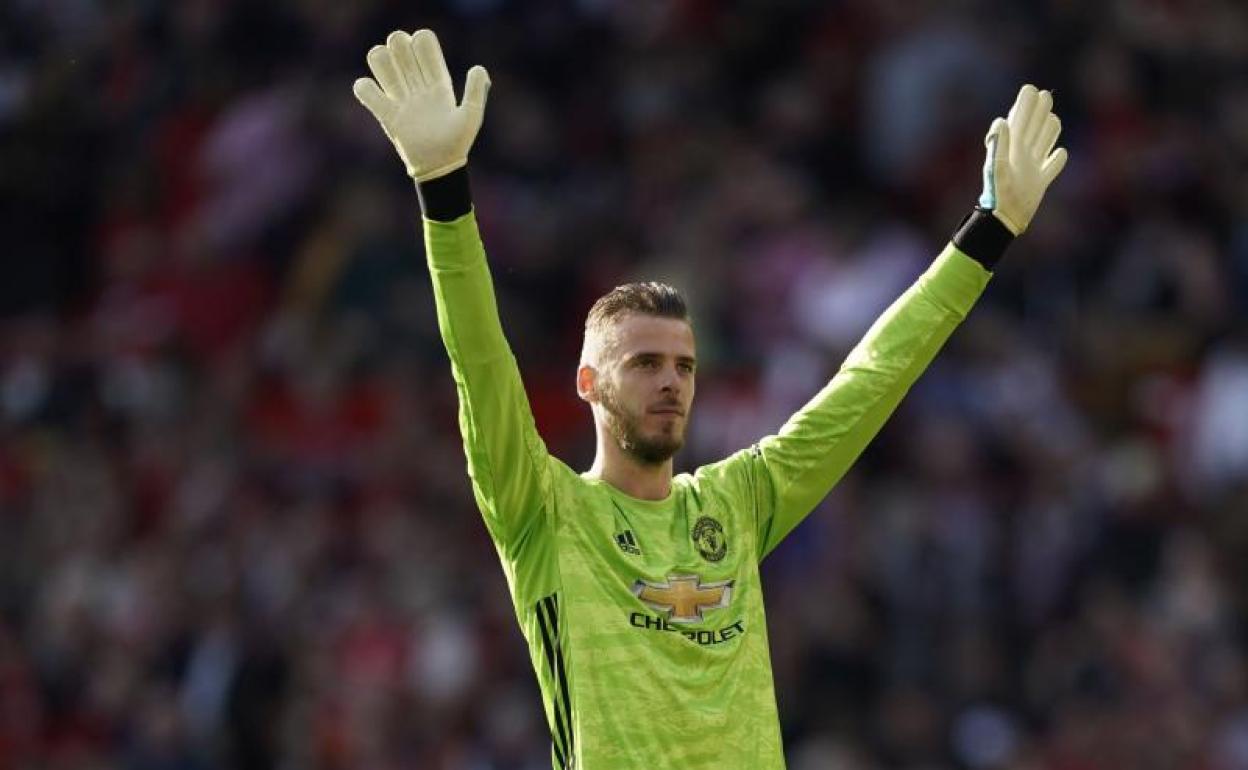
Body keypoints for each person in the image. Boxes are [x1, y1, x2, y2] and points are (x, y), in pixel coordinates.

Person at [353, 28, 1067, 770]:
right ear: (588, 385)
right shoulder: (541, 510)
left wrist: (986, 234)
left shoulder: (736, 503)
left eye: (686, 366)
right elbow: (480, 362)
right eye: (645, 363)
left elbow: (871, 380)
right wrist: (443, 192)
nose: (671, 382)